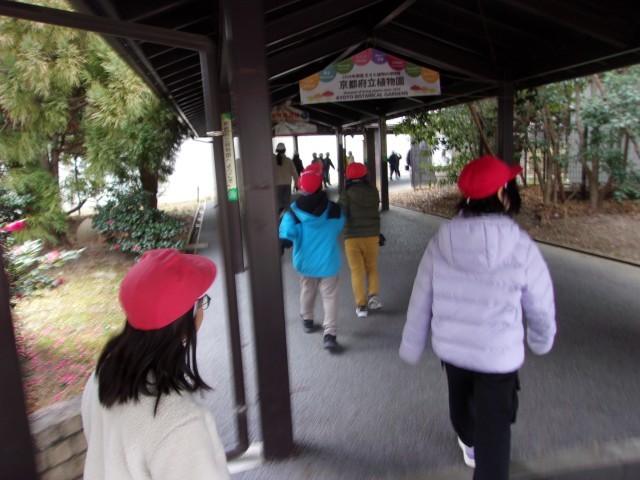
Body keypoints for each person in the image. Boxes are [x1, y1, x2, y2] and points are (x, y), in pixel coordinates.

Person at [399, 154, 556, 480]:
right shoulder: (520, 245)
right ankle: (482, 454)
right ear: (501, 193)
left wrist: (412, 344)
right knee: (495, 431)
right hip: (499, 354)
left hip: (454, 350)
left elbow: (421, 295)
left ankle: (470, 443)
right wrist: (541, 339)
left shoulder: (441, 240)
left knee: (461, 406)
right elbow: (540, 301)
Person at [82, 248, 230, 480]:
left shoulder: (102, 375)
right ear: (185, 320)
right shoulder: (179, 423)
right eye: (201, 302)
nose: (202, 309)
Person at [279, 163, 345, 353]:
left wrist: (282, 245)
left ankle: (307, 319)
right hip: (329, 262)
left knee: (307, 290)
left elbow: (286, 234)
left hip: (306, 263)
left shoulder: (293, 212)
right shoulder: (334, 209)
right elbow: (338, 226)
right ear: (320, 185)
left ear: (301, 186)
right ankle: (330, 334)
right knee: (330, 297)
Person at [338, 162, 382, 318]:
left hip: (352, 238)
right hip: (372, 235)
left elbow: (340, 213)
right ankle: (373, 296)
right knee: (371, 266)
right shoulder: (373, 191)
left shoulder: (346, 194)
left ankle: (361, 306)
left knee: (357, 271)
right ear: (365, 175)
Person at [274, 142, 298, 214]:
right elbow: (294, 174)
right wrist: (296, 184)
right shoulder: (289, 160)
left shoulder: (272, 161)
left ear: (277, 150)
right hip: (287, 184)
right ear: (285, 150)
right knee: (287, 204)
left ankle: (279, 218)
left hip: (277, 185)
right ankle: (287, 217)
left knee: (278, 204)